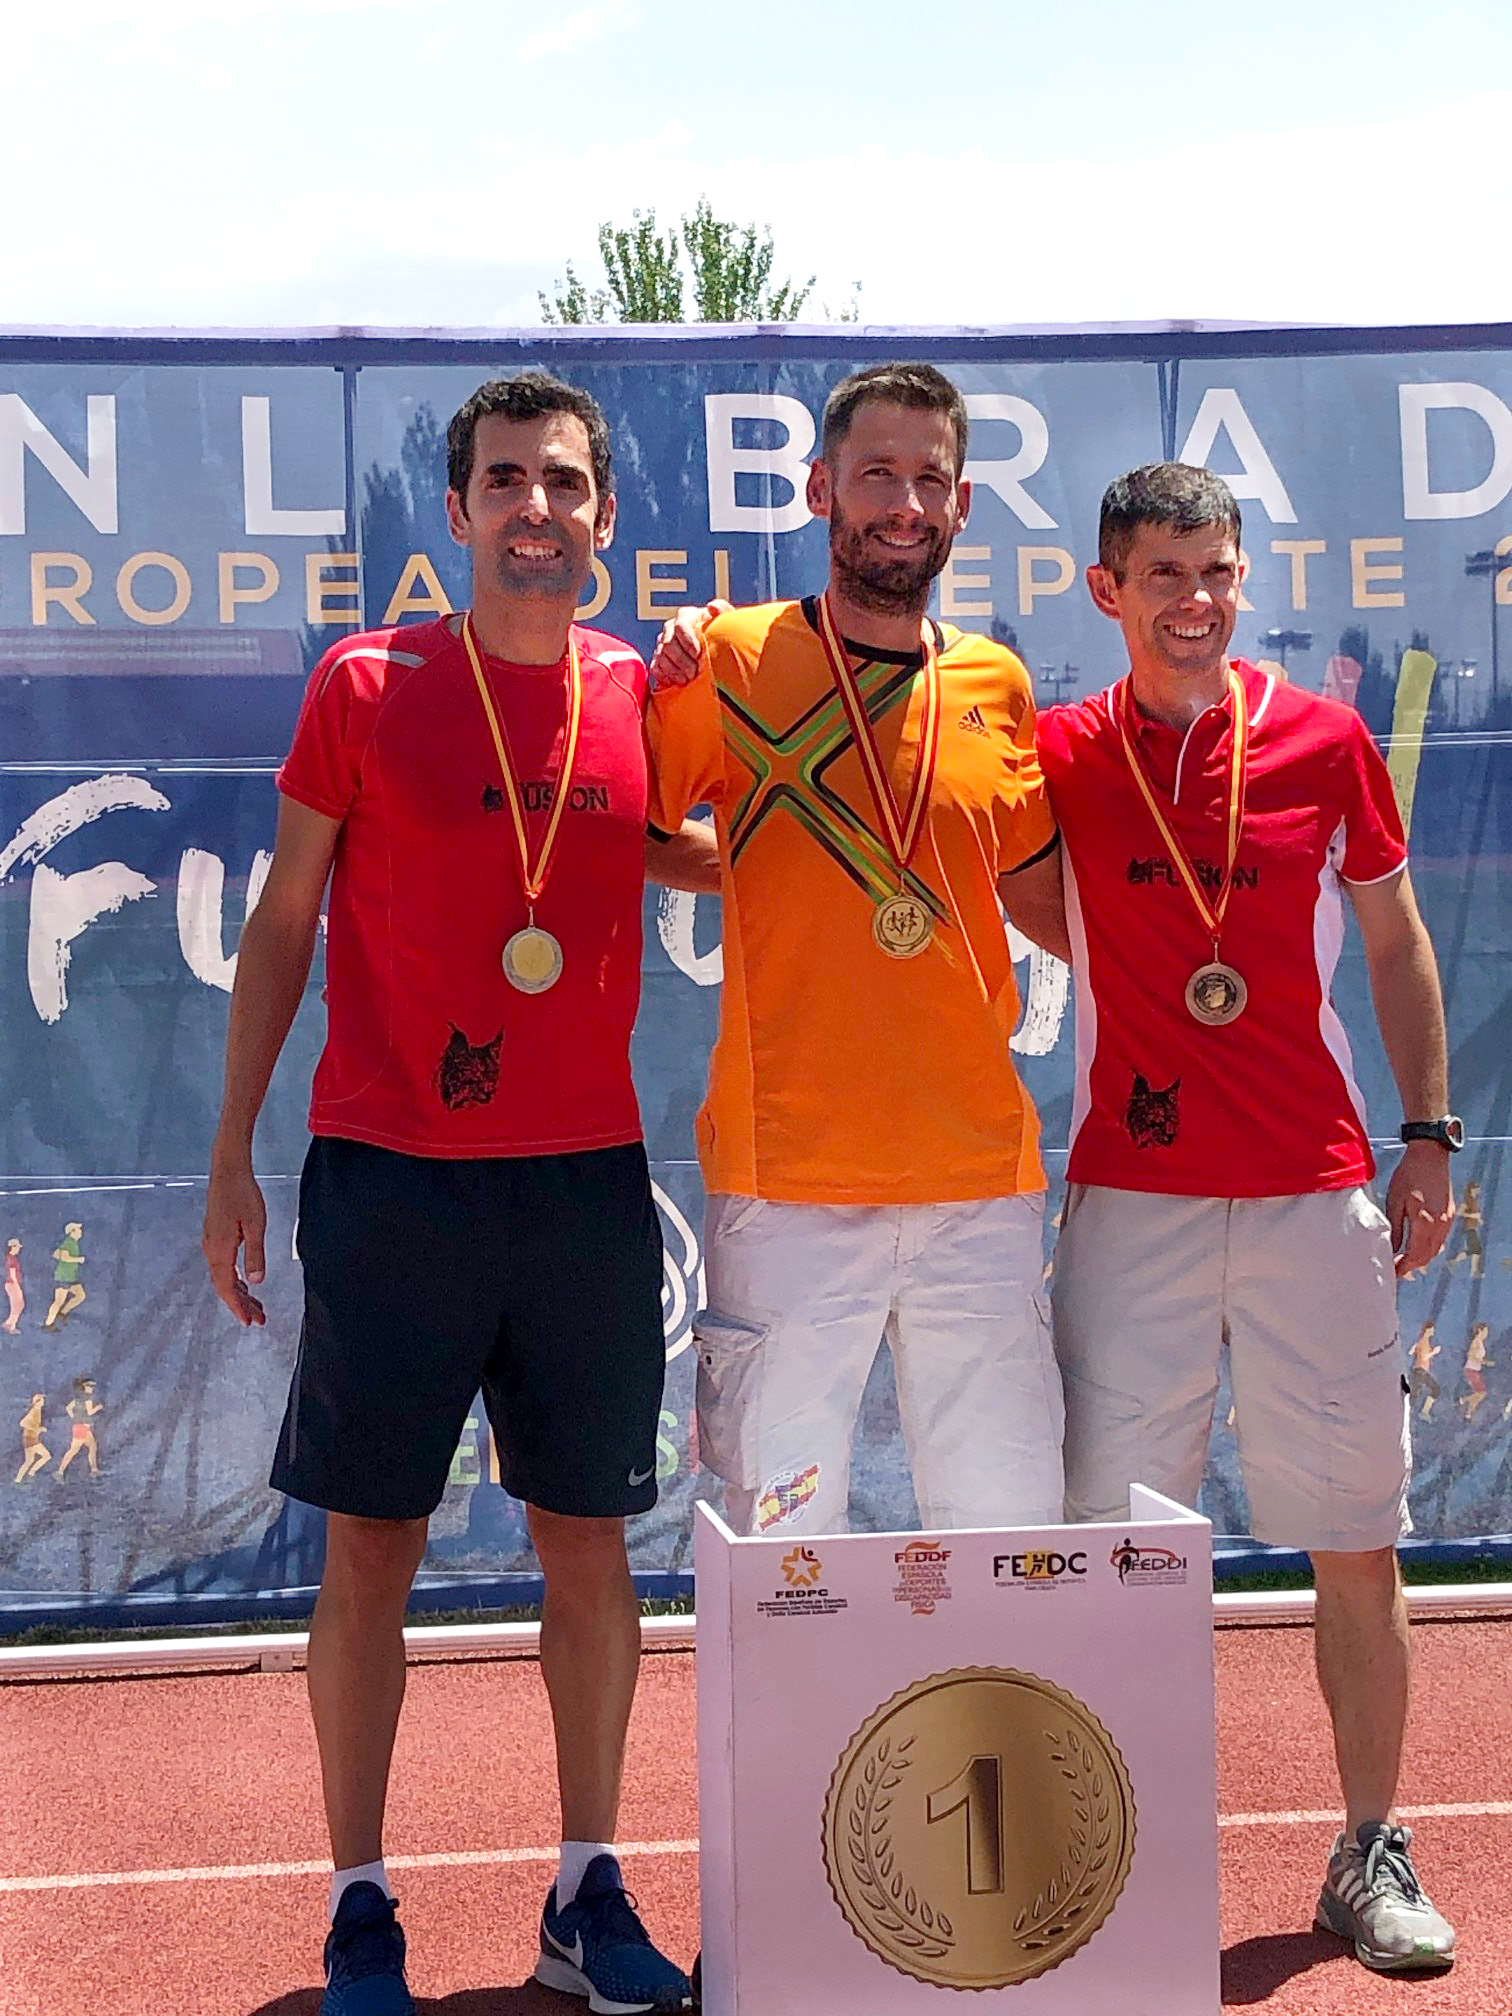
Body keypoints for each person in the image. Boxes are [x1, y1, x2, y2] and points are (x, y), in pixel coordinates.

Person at [203, 372, 699, 2016]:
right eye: (503, 481)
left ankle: (585, 1886)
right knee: (372, 1546)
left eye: (562, 481)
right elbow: (285, 919)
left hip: (580, 1185)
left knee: (590, 1542)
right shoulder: (367, 682)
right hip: (392, 1179)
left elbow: (696, 844)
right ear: (460, 508)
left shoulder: (641, 694)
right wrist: (230, 1153)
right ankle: (359, 1904)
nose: (533, 509)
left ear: (604, 511)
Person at [1038, 462, 1457, 1973]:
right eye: (1164, 573)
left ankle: (1369, 1849)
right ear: (1108, 589)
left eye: (1216, 571)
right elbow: (1026, 895)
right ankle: (1119, 1861)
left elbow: (1396, 942)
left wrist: (1428, 1135)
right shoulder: (1062, 751)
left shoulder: (1328, 742)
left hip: (1312, 1190)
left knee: (1355, 1538)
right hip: (1131, 1200)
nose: (1195, 600)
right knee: (1119, 1550)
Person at [646, 361, 1069, 1538]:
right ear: (821, 488)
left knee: (1007, 1538)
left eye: (930, 478)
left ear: (963, 503)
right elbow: (637, 829)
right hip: (787, 1183)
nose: (905, 503)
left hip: (976, 1181)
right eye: (877, 473)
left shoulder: (996, 682)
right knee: (779, 1546)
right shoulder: (728, 658)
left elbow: (1035, 893)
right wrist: (756, 861)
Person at [55, 1377, 102, 1480]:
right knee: (74, 1450)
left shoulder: (77, 1399)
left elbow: (68, 1408)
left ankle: (94, 1470)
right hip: (83, 1427)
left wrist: (74, 1417)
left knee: (92, 1446)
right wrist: (98, 1408)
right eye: (90, 1386)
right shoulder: (88, 1399)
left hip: (80, 1427)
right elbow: (90, 1412)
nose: (92, 1388)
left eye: (92, 1386)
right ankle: (59, 1472)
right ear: (84, 1387)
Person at [42, 1223, 84, 1331]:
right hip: (64, 1276)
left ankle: (63, 1313)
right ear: (72, 1231)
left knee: (80, 1295)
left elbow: (56, 1254)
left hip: (71, 1276)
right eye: (78, 1229)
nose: (81, 1231)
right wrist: (78, 1259)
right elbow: (65, 1257)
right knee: (59, 1301)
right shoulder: (68, 1242)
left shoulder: (73, 1243)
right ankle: (48, 1324)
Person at [14, 1394, 48, 1482]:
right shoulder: (34, 1412)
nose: (43, 1402)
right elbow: (22, 1423)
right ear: (37, 1402)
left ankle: (18, 1480)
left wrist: (37, 1430)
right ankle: (31, 1473)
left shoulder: (38, 1411)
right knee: (46, 1456)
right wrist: (38, 1429)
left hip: (30, 1439)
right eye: (42, 1400)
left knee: (29, 1461)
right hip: (31, 1439)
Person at [3, 1238, 21, 1333]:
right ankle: (11, 1326)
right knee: (17, 1305)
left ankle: (9, 1323)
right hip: (12, 1284)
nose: (18, 1249)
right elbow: (12, 1273)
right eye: (17, 1247)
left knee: (18, 1305)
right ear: (13, 1247)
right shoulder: (11, 1259)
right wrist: (17, 1286)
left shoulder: (11, 1258)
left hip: (11, 1284)